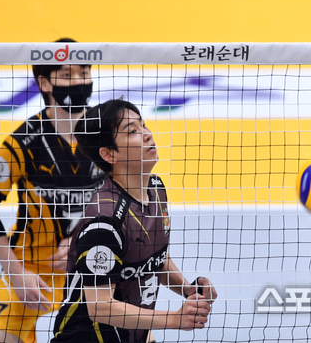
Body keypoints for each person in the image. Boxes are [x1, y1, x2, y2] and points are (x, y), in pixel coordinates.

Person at [51, 98, 217, 343]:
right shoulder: (104, 222)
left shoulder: (156, 189)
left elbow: (153, 257)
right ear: (109, 154)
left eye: (143, 125)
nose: (147, 134)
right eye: (132, 132)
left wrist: (188, 290)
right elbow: (101, 307)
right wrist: (175, 319)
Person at [0, 38, 104, 343]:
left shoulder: (106, 136)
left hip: (94, 269)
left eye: (84, 72)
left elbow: (129, 202)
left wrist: (80, 242)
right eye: (67, 75)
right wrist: (16, 272)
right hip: (30, 268)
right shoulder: (22, 142)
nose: (79, 81)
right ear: (45, 83)